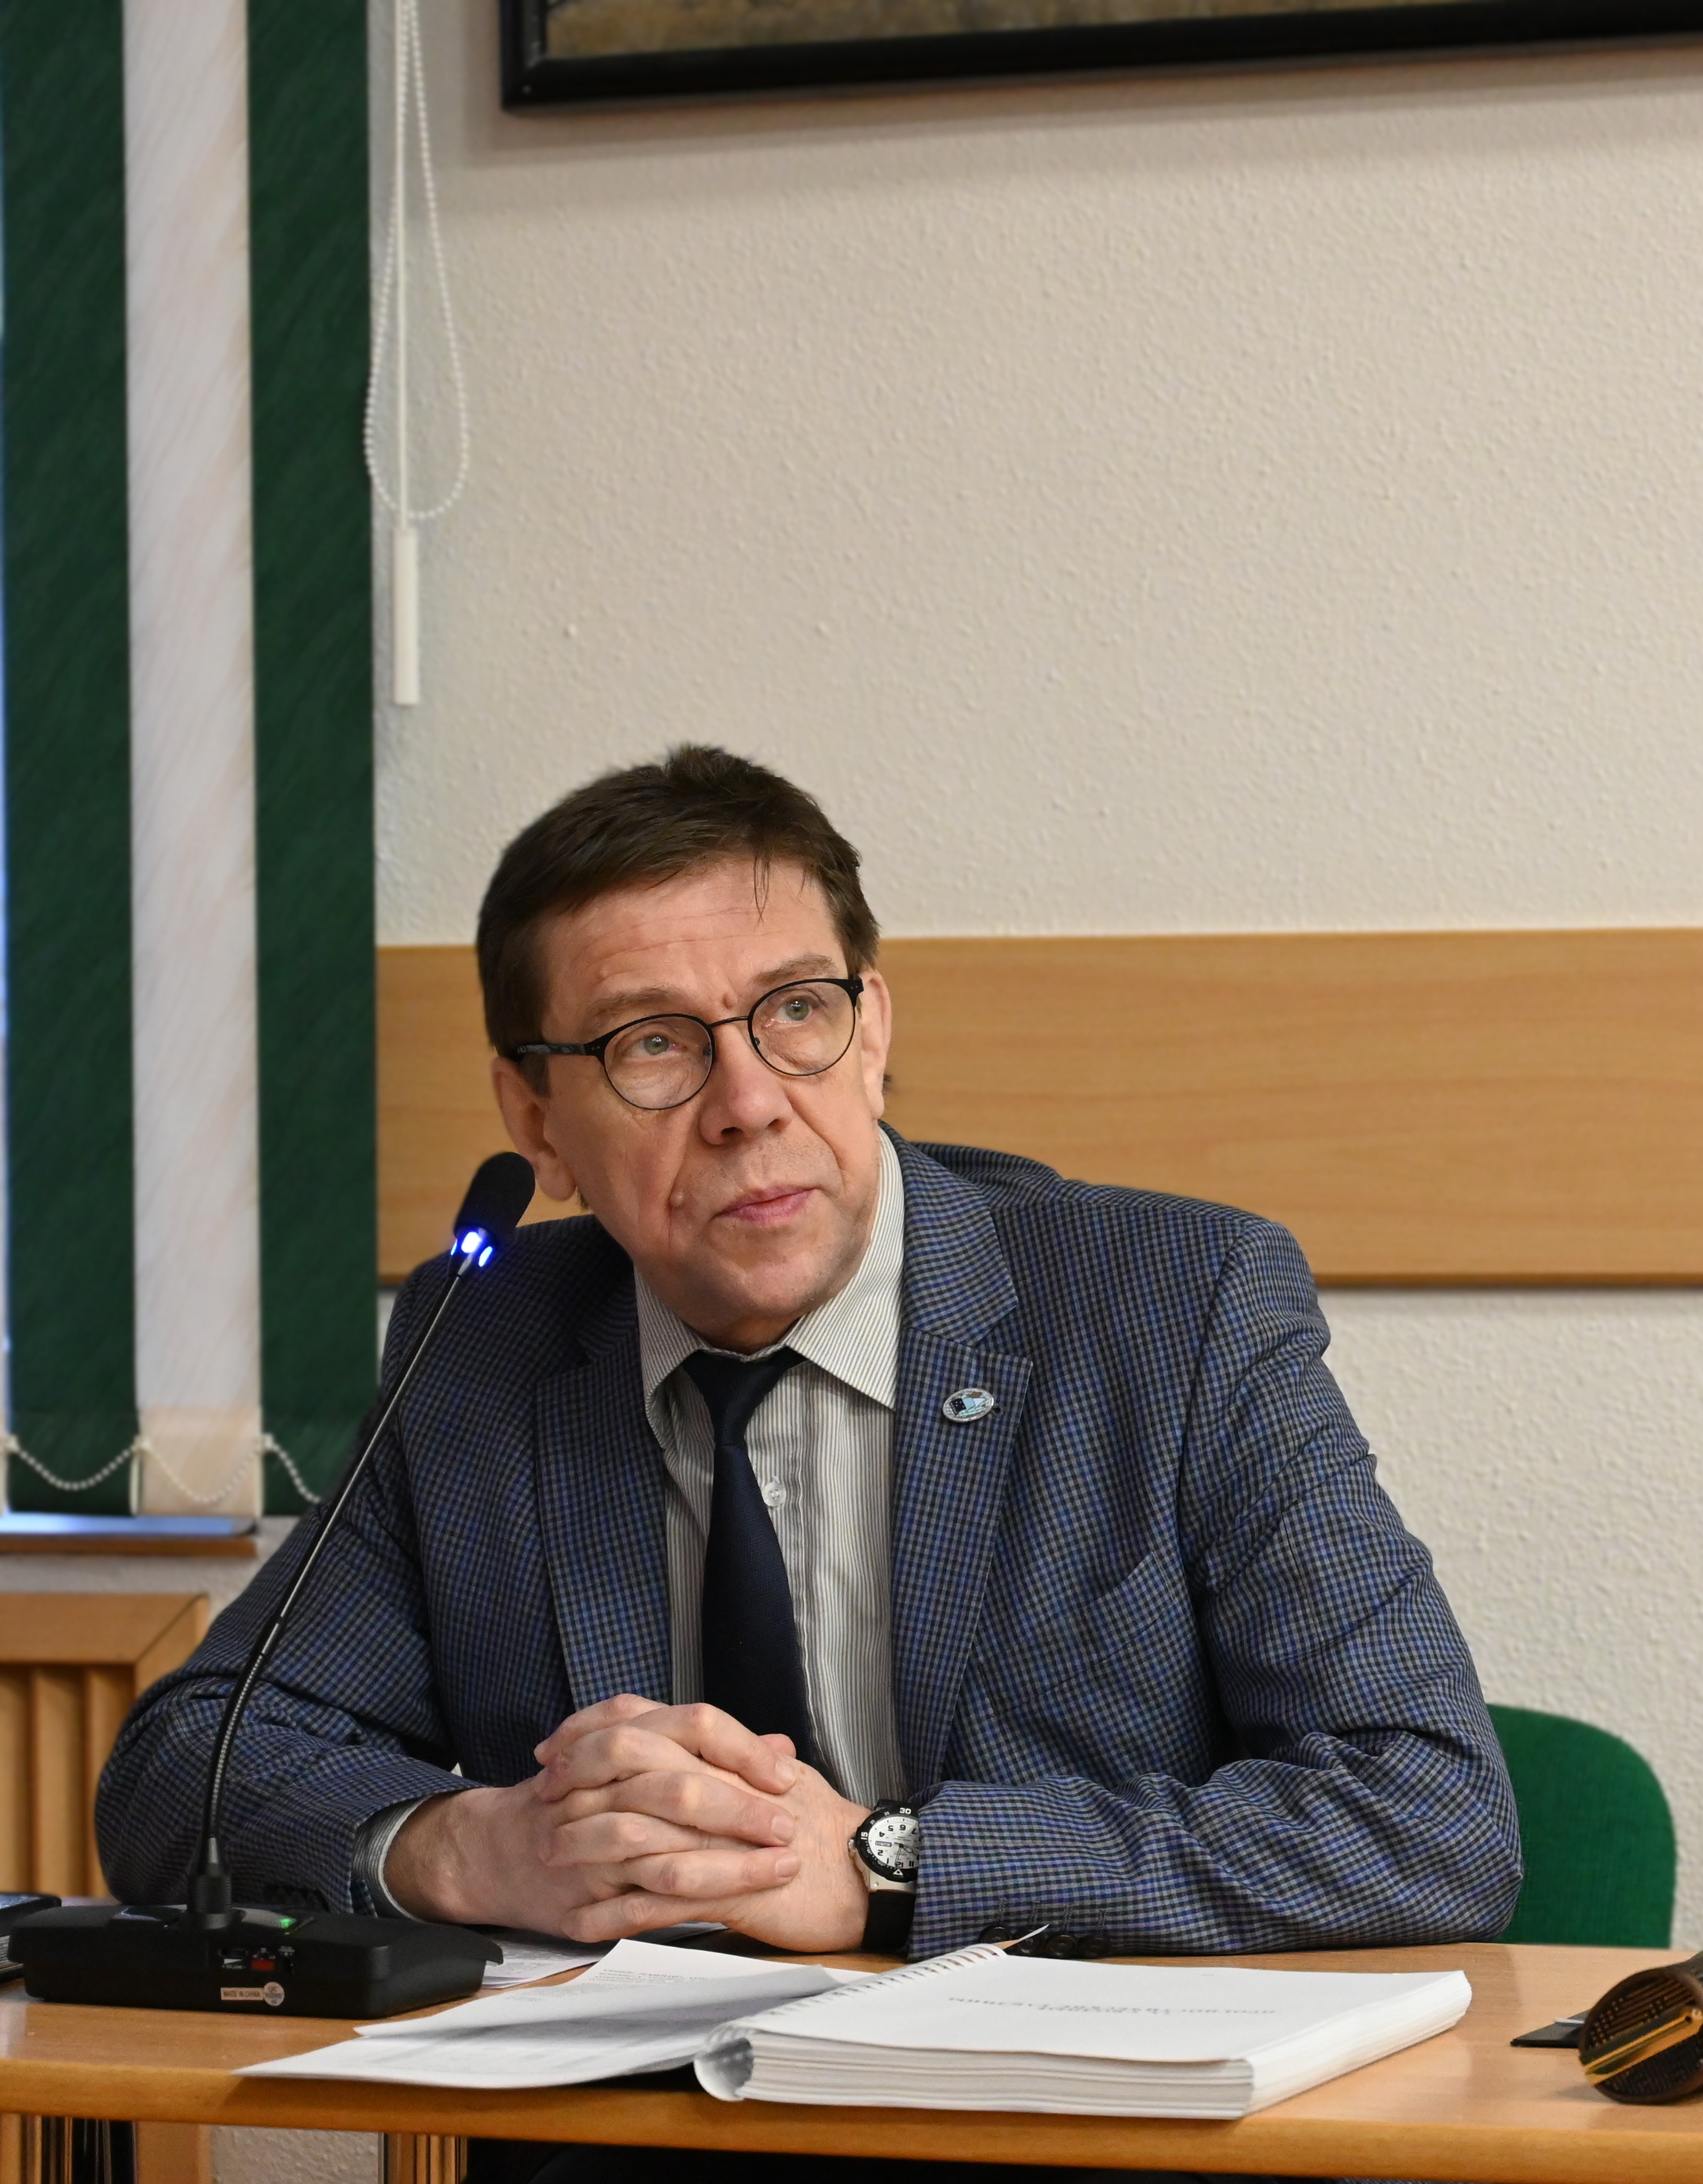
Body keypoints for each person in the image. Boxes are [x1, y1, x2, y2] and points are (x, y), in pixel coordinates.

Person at [99, 747, 1520, 1979]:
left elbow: (1428, 1812)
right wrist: (475, 1847)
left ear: (873, 1027)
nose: (748, 1102)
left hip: (1086, 2130)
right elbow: (188, 1769)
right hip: (640, 2128)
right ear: (536, 1119)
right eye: (653, 1043)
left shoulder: (1172, 1308)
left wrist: (885, 1863)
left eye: (794, 1010)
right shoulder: (484, 1342)